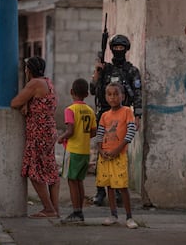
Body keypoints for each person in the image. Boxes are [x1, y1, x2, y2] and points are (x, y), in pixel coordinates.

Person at [90, 34, 142, 206]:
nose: (118, 51)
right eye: (116, 48)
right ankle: (100, 191)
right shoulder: (105, 69)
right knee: (102, 152)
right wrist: (97, 71)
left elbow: (138, 95)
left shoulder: (131, 71)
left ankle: (119, 190)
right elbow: (92, 90)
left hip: (122, 116)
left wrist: (138, 116)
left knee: (119, 152)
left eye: (121, 48)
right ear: (111, 49)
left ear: (126, 50)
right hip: (104, 115)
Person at [11, 56, 60, 219]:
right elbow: (35, 101)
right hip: (49, 131)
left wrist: (24, 103)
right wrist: (27, 103)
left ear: (29, 70)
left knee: (34, 171)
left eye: (26, 69)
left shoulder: (34, 83)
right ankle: (55, 209)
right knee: (50, 170)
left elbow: (15, 102)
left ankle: (48, 208)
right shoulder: (47, 82)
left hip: (38, 133)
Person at [96, 82, 138, 229]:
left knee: (122, 186)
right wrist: (101, 152)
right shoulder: (104, 115)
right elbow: (99, 136)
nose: (113, 97)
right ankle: (113, 214)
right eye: (109, 94)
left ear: (122, 96)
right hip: (105, 156)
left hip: (119, 155)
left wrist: (118, 149)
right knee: (109, 186)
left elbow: (130, 132)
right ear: (106, 97)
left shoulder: (127, 111)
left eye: (116, 94)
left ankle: (129, 217)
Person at [57, 78, 97, 223]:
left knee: (72, 181)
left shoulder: (70, 110)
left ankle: (76, 212)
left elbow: (70, 130)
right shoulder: (90, 111)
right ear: (86, 94)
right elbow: (94, 131)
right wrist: (84, 135)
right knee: (79, 181)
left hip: (73, 151)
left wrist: (61, 137)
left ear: (71, 92)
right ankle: (79, 211)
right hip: (85, 151)